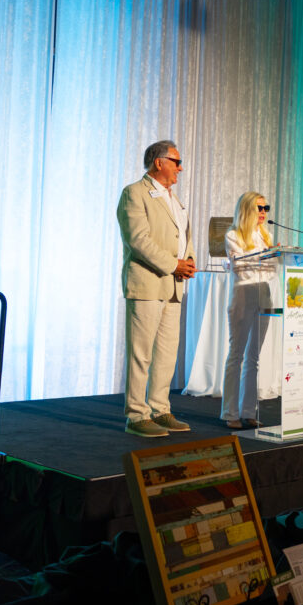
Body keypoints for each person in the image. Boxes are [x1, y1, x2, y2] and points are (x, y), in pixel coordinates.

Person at [116, 141, 196, 437]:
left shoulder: (175, 199)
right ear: (159, 162)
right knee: (141, 353)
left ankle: (160, 409)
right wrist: (174, 264)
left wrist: (189, 261)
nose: (181, 167)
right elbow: (138, 240)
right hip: (147, 283)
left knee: (166, 353)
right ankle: (137, 415)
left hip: (173, 286)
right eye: (177, 161)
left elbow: (183, 236)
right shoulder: (134, 193)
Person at [221, 192, 276, 429]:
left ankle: (248, 410)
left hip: (264, 295)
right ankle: (230, 412)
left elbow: (271, 270)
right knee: (237, 354)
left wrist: (260, 261)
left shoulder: (267, 236)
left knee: (254, 357)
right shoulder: (233, 235)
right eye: (259, 208)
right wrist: (261, 261)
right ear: (247, 210)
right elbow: (241, 270)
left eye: (266, 208)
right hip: (243, 296)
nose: (263, 212)